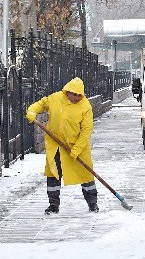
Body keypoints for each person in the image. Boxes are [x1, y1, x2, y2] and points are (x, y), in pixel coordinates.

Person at [26, 77, 98, 214]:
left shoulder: (85, 106)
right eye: (74, 94)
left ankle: (92, 203)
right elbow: (40, 105)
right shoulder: (55, 98)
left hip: (77, 147)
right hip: (56, 146)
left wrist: (76, 149)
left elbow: (86, 131)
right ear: (67, 92)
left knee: (85, 174)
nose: (77, 97)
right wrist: (32, 112)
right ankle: (53, 205)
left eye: (79, 95)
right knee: (53, 174)